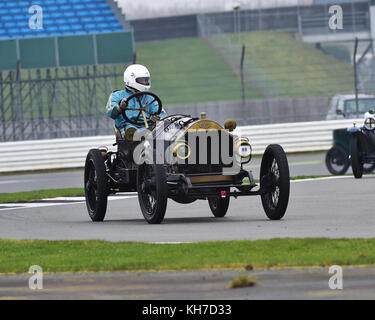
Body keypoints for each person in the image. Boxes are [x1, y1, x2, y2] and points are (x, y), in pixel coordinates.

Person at [105, 64, 166, 136]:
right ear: (131, 79)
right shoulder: (117, 95)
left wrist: (157, 118)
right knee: (131, 130)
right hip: (127, 128)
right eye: (143, 80)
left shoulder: (150, 98)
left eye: (146, 80)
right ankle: (138, 137)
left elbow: (162, 115)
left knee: (161, 129)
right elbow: (110, 112)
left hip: (149, 128)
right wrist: (119, 107)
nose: (145, 82)